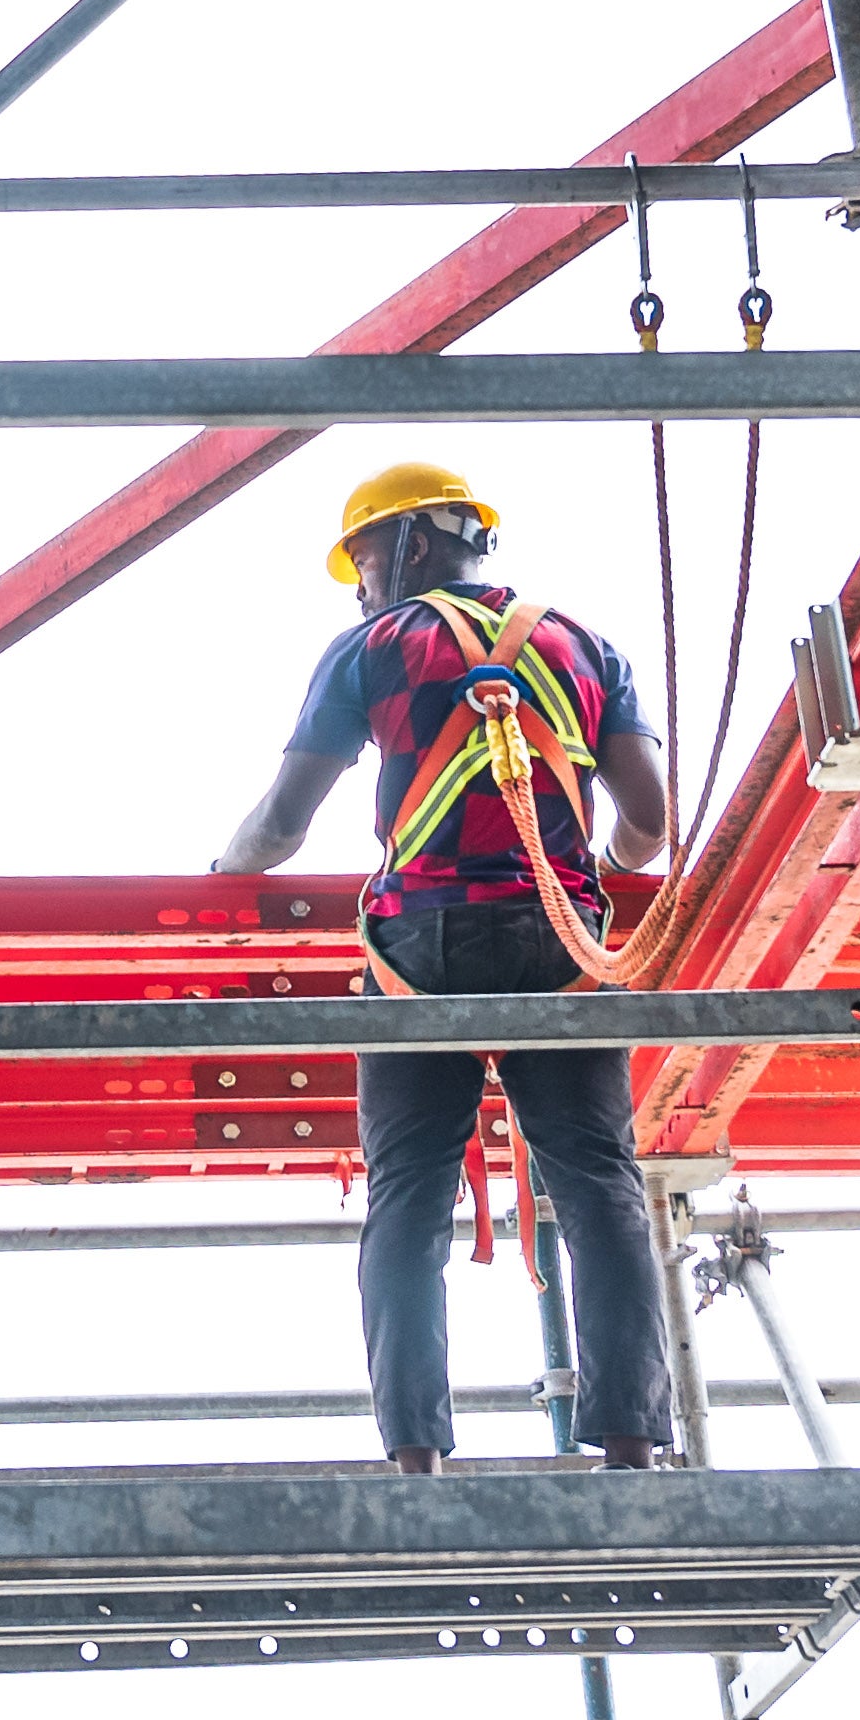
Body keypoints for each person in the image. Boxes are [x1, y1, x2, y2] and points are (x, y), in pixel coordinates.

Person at [211, 462, 682, 1473]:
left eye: (365, 557)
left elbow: (282, 826)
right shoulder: (586, 645)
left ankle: (416, 1453)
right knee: (599, 1182)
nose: (359, 584)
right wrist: (580, 876)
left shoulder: (371, 648)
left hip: (420, 942)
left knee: (410, 1194)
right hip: (560, 943)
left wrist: (223, 867)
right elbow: (647, 824)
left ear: (413, 543)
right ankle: (632, 1441)